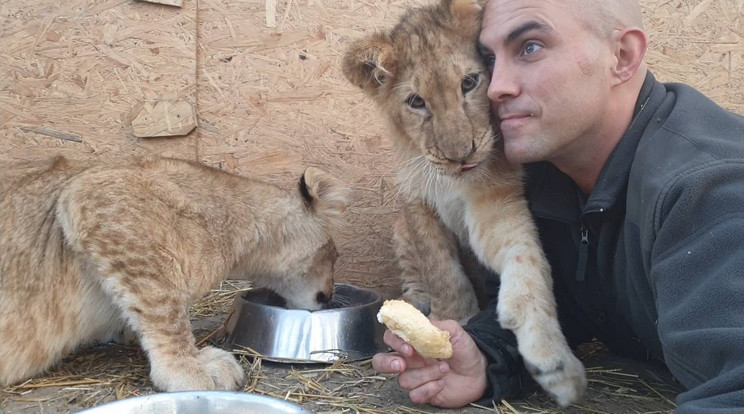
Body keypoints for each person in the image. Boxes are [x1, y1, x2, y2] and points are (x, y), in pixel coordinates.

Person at [371, 0, 744, 412]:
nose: (496, 86)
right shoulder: (545, 170)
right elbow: (544, 308)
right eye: (489, 58)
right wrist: (484, 358)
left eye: (530, 48)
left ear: (621, 57)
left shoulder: (711, 196)